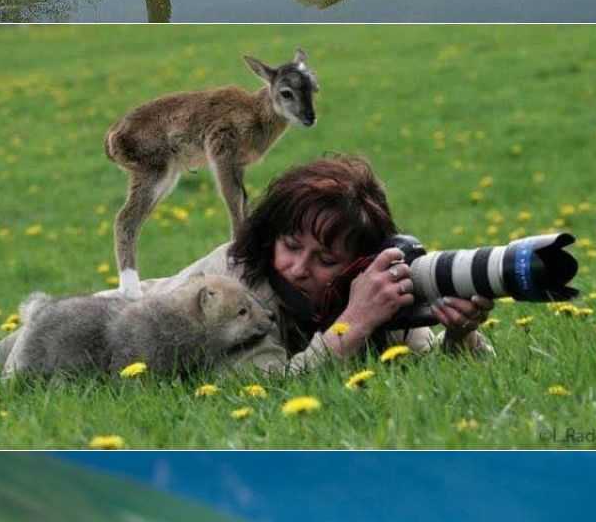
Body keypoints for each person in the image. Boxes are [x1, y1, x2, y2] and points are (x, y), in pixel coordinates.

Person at [140, 154, 494, 374]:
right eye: (291, 245)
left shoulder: (370, 285)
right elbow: (267, 390)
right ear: (271, 234)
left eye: (325, 259)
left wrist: (460, 335)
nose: (297, 268)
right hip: (112, 328)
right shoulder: (231, 290)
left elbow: (429, 367)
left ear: (360, 264)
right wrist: (353, 325)